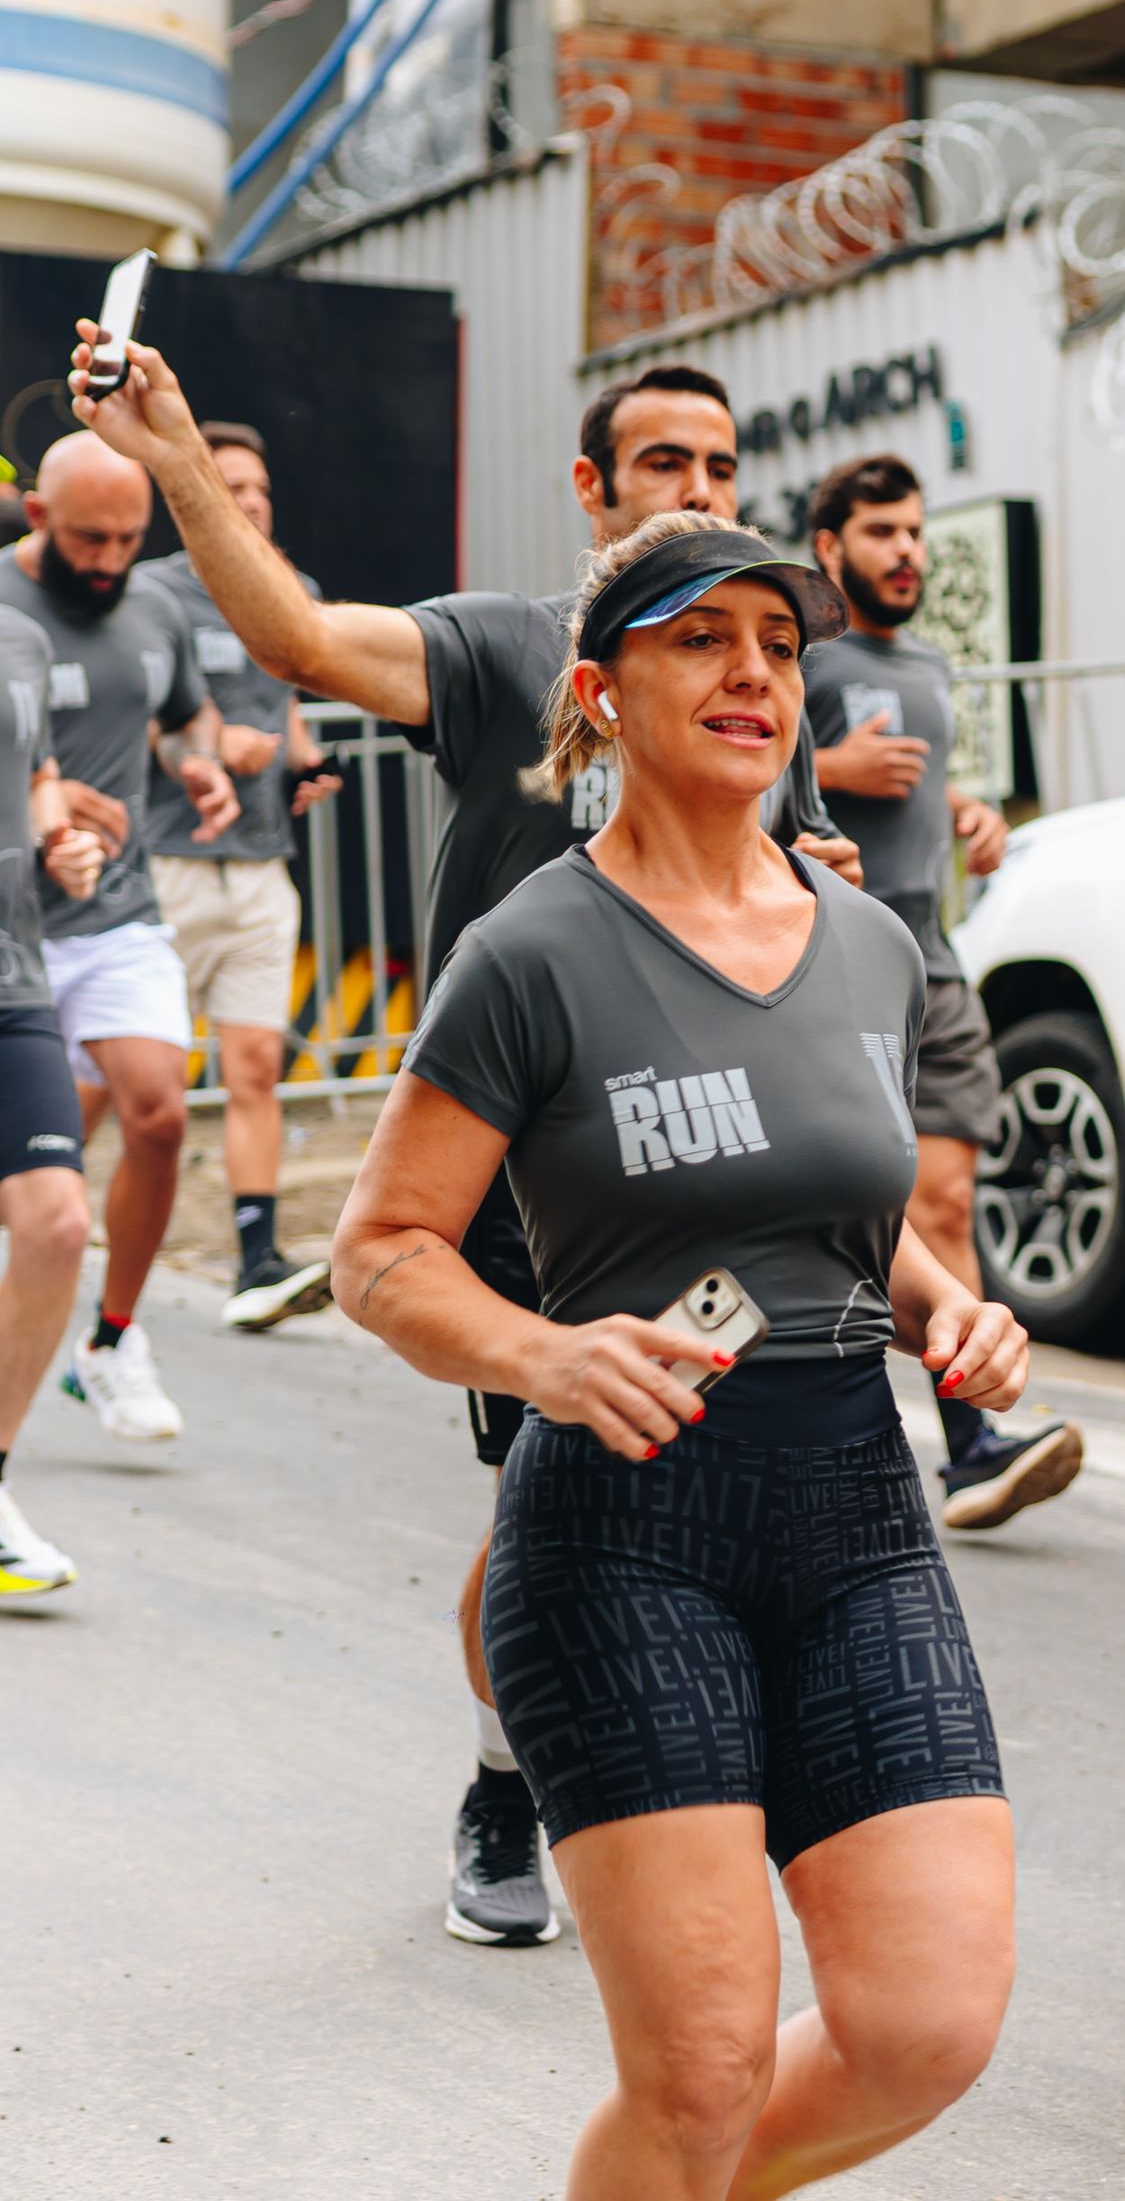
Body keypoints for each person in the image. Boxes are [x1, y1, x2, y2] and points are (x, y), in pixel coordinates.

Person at [74, 330, 859, 1950]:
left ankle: (707, 1784)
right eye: (664, 463)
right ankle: (509, 1780)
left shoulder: (747, 686)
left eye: (720, 467)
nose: (698, 490)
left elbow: (779, 906)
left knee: (734, 1491)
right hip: (526, 1193)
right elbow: (295, 639)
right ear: (592, 488)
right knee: (554, 1513)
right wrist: (172, 458)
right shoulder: (507, 649)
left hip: (713, 1177)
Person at [332, 515, 1022, 2201]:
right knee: (702, 2072)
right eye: (701, 639)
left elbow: (838, 1204)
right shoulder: (533, 952)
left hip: (855, 1518)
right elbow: (382, 1251)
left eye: (779, 645)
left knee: (925, 2025)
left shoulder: (868, 942)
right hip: (623, 1538)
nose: (753, 674)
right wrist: (544, 1358)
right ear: (601, 693)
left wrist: (948, 1304)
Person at [807, 453, 1084, 1530]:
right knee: (861, 1211)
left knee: (949, 1202)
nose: (907, 551)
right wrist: (832, 772)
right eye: (882, 532)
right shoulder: (802, 658)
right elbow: (743, 771)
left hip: (934, 960)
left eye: (915, 531)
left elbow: (919, 783)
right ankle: (896, 1439)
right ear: (830, 547)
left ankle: (970, 1446)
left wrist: (969, 810)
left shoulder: (927, 662)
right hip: (834, 965)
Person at [2, 432, 236, 1445]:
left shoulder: (154, 607)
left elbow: (187, 716)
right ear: (39, 517)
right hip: (13, 928)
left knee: (160, 1114)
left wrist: (199, 765)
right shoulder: (3, 613)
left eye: (128, 539)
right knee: (39, 1188)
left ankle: (109, 1339)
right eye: (88, 539)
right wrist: (43, 814)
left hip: (116, 914)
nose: (108, 560)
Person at [141, 422, 343, 1331]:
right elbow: (134, 708)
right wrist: (212, 742)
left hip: (262, 866)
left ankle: (256, 1258)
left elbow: (286, 707)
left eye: (260, 488)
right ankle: (42, 1214)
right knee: (139, 1083)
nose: (253, 502)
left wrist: (308, 762)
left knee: (256, 1065)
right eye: (232, 487)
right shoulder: (152, 594)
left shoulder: (292, 591)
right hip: (168, 864)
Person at [0, 588, 109, 1593]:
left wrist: (58, 838)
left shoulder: (21, 641)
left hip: (12, 978)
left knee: (59, 1224)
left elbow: (34, 768)